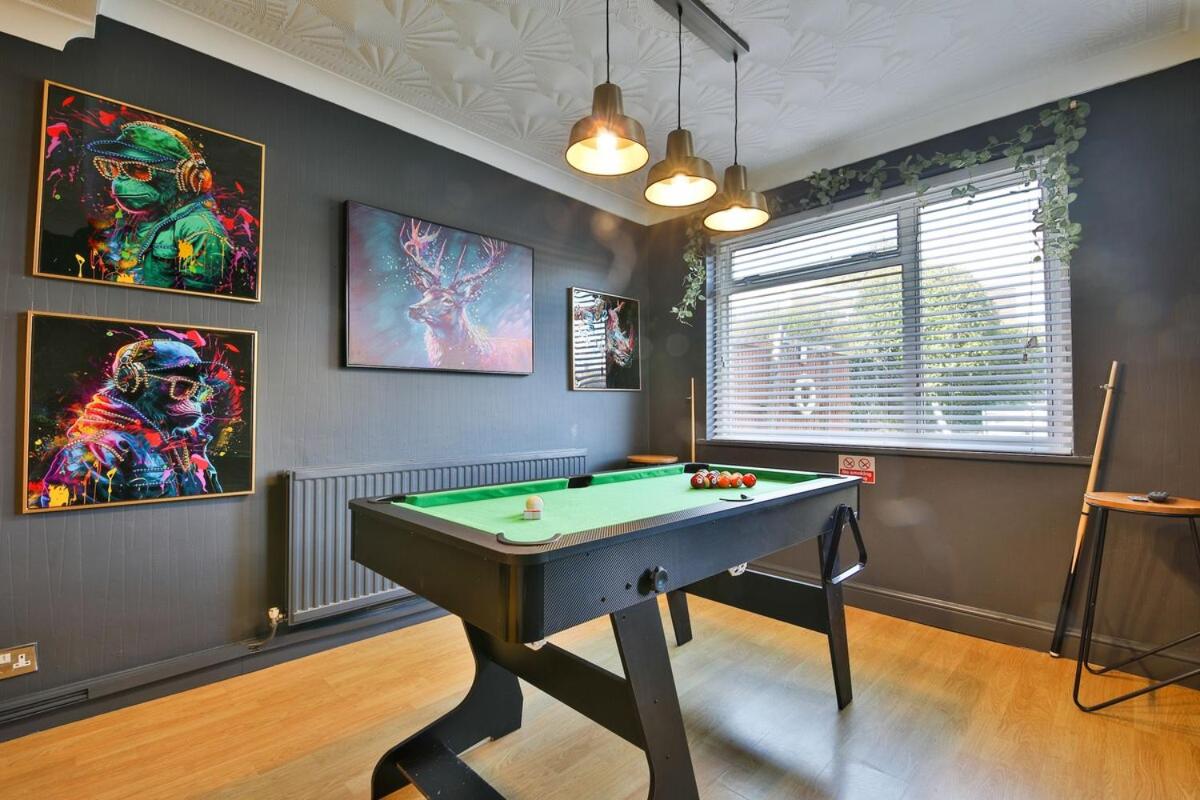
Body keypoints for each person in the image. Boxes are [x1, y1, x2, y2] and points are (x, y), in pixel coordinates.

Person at [37, 339, 223, 507]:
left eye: (200, 391)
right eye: (181, 386)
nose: (193, 401)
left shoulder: (184, 442)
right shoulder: (97, 448)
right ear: (133, 382)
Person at [85, 121, 231, 291]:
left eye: (138, 167)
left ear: (186, 174)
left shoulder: (199, 230)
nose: (120, 179)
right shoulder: (132, 218)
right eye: (114, 167)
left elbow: (200, 301)